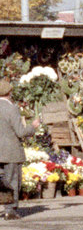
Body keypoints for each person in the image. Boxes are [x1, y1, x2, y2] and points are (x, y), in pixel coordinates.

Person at [0, 78, 39, 220]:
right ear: (9, 92)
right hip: (10, 151)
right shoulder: (12, 108)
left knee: (2, 181)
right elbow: (21, 132)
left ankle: (6, 208)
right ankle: (10, 210)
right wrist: (33, 126)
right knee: (12, 181)